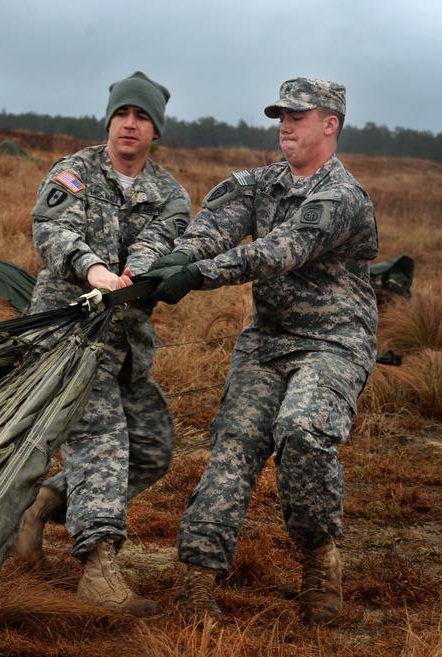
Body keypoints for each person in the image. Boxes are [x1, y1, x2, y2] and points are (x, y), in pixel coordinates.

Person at [143, 77, 379, 625]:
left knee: (300, 431)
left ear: (330, 124)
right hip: (267, 341)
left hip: (333, 344)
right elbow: (213, 228)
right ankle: (198, 581)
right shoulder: (256, 183)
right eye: (282, 116)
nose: (286, 126)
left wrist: (198, 275)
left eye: (299, 116)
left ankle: (320, 555)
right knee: (235, 442)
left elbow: (280, 251)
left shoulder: (341, 197)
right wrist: (177, 260)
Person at [12, 71, 191, 616]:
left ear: (155, 130)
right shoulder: (73, 172)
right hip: (68, 336)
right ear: (109, 120)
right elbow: (52, 230)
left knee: (153, 448)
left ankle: (45, 501)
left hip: (127, 343)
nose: (129, 125)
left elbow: (161, 242)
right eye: (122, 114)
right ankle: (98, 568)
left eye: (141, 117)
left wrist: (134, 274)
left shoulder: (170, 194)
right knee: (102, 438)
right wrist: (91, 268)